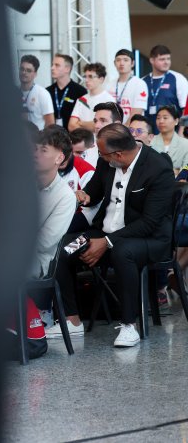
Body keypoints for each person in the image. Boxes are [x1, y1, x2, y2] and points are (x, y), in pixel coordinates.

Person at [52, 124, 174, 347]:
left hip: (148, 240)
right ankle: (72, 321)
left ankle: (129, 325)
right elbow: (94, 191)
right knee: (64, 248)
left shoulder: (158, 168)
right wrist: (84, 195)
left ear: (118, 154)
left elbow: (149, 223)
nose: (99, 157)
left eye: (102, 154)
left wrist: (106, 242)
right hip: (105, 233)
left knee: (121, 252)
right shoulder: (107, 162)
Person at [32, 126, 77, 280]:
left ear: (59, 158)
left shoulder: (66, 196)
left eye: (43, 150)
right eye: (34, 149)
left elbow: (44, 243)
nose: (35, 154)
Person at [142, 45, 188, 132]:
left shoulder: (178, 78)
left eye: (168, 59)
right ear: (152, 60)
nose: (166, 62)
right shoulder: (143, 81)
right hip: (149, 134)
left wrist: (181, 132)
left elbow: (186, 109)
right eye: (162, 59)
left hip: (173, 133)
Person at [68, 63, 114, 132]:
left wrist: (81, 123)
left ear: (101, 79)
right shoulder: (82, 99)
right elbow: (71, 126)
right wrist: (91, 125)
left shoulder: (109, 100)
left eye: (90, 76)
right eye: (85, 76)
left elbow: (104, 127)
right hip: (84, 138)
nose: (86, 80)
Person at [46, 54, 87, 127]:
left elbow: (84, 118)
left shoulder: (80, 92)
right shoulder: (47, 91)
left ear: (67, 69)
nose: (52, 68)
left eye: (57, 65)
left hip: (72, 133)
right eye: (52, 65)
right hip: (52, 133)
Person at [108, 49, 147, 124]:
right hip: (112, 128)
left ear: (132, 63)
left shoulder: (139, 84)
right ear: (114, 63)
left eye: (125, 60)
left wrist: (123, 129)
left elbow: (137, 113)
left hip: (132, 128)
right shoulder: (109, 85)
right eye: (118, 60)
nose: (121, 63)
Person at [19, 55, 54, 130]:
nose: (24, 72)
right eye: (22, 69)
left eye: (28, 70)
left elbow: (50, 123)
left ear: (35, 74)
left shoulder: (42, 93)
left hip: (37, 135)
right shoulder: (13, 92)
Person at [152, 105, 188, 174]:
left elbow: (185, 173)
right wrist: (175, 170)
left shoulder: (185, 144)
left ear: (176, 121)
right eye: (158, 118)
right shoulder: (151, 142)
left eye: (165, 118)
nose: (161, 121)